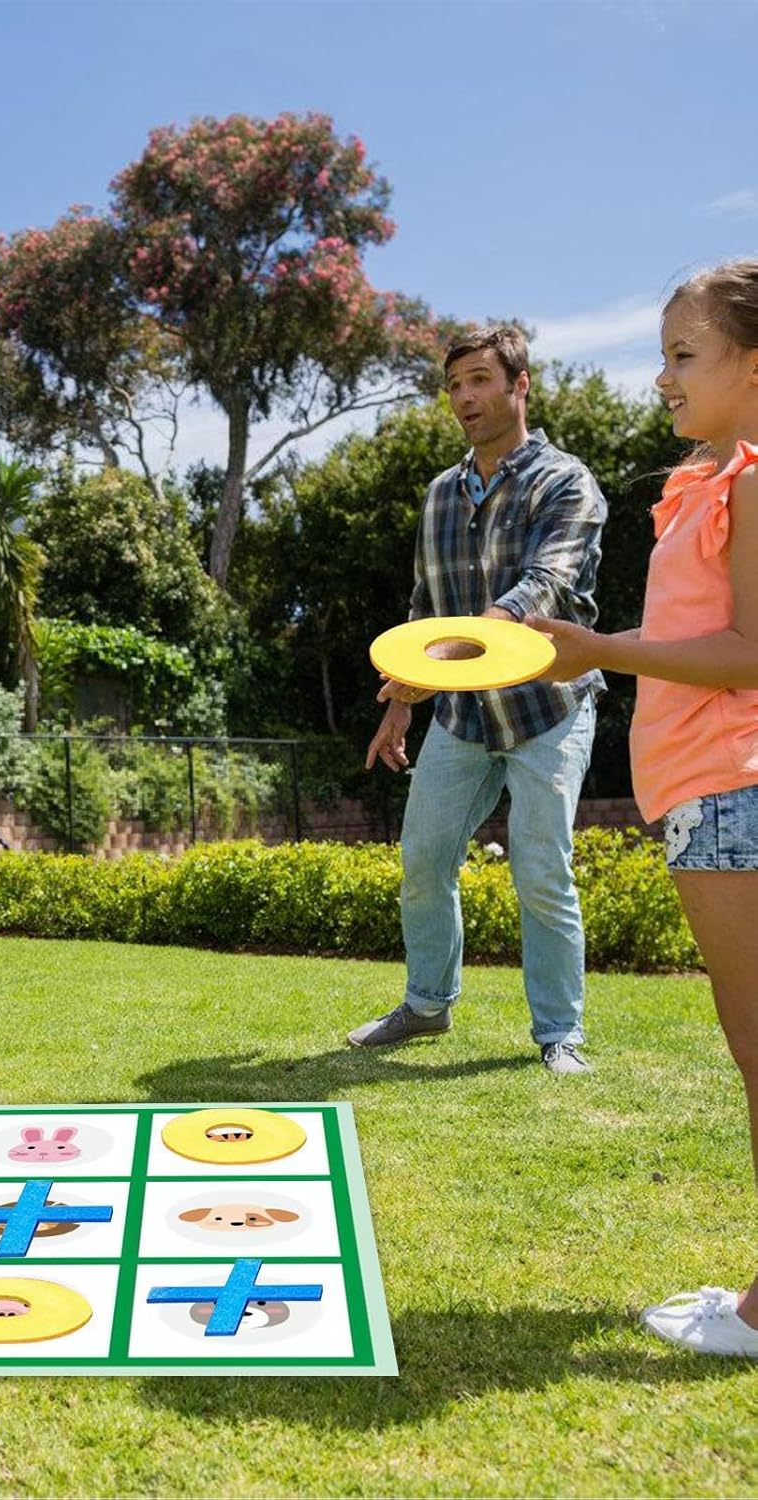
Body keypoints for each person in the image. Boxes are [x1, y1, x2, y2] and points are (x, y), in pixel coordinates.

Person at [528, 261, 758, 1357]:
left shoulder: (751, 482)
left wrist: (601, 651)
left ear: (753, 364)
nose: (663, 377)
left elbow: (749, 653)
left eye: (685, 355)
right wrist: (588, 647)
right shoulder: (710, 481)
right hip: (711, 792)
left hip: (733, 788)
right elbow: (695, 635)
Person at [348, 327, 607, 1074]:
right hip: (462, 717)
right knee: (423, 859)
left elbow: (543, 588)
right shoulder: (440, 495)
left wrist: (451, 657)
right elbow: (425, 612)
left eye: (481, 380)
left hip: (546, 710)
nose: (465, 397)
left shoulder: (566, 483)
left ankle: (559, 1033)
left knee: (540, 867)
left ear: (520, 386)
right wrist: (402, 702)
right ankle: (427, 1004)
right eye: (455, 384)